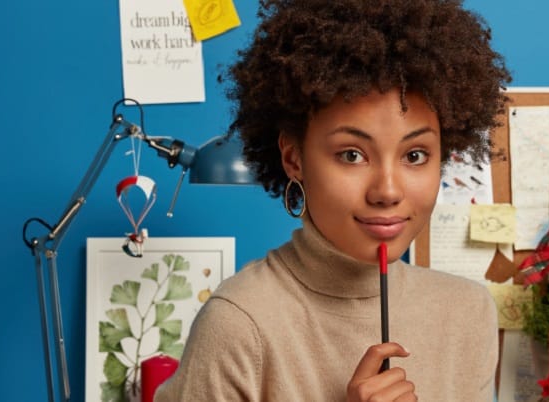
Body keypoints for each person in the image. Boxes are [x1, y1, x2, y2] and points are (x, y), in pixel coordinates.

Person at [155, 0, 512, 400]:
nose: (388, 191)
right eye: (352, 155)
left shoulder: (468, 312)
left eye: (415, 156)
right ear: (294, 158)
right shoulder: (240, 324)